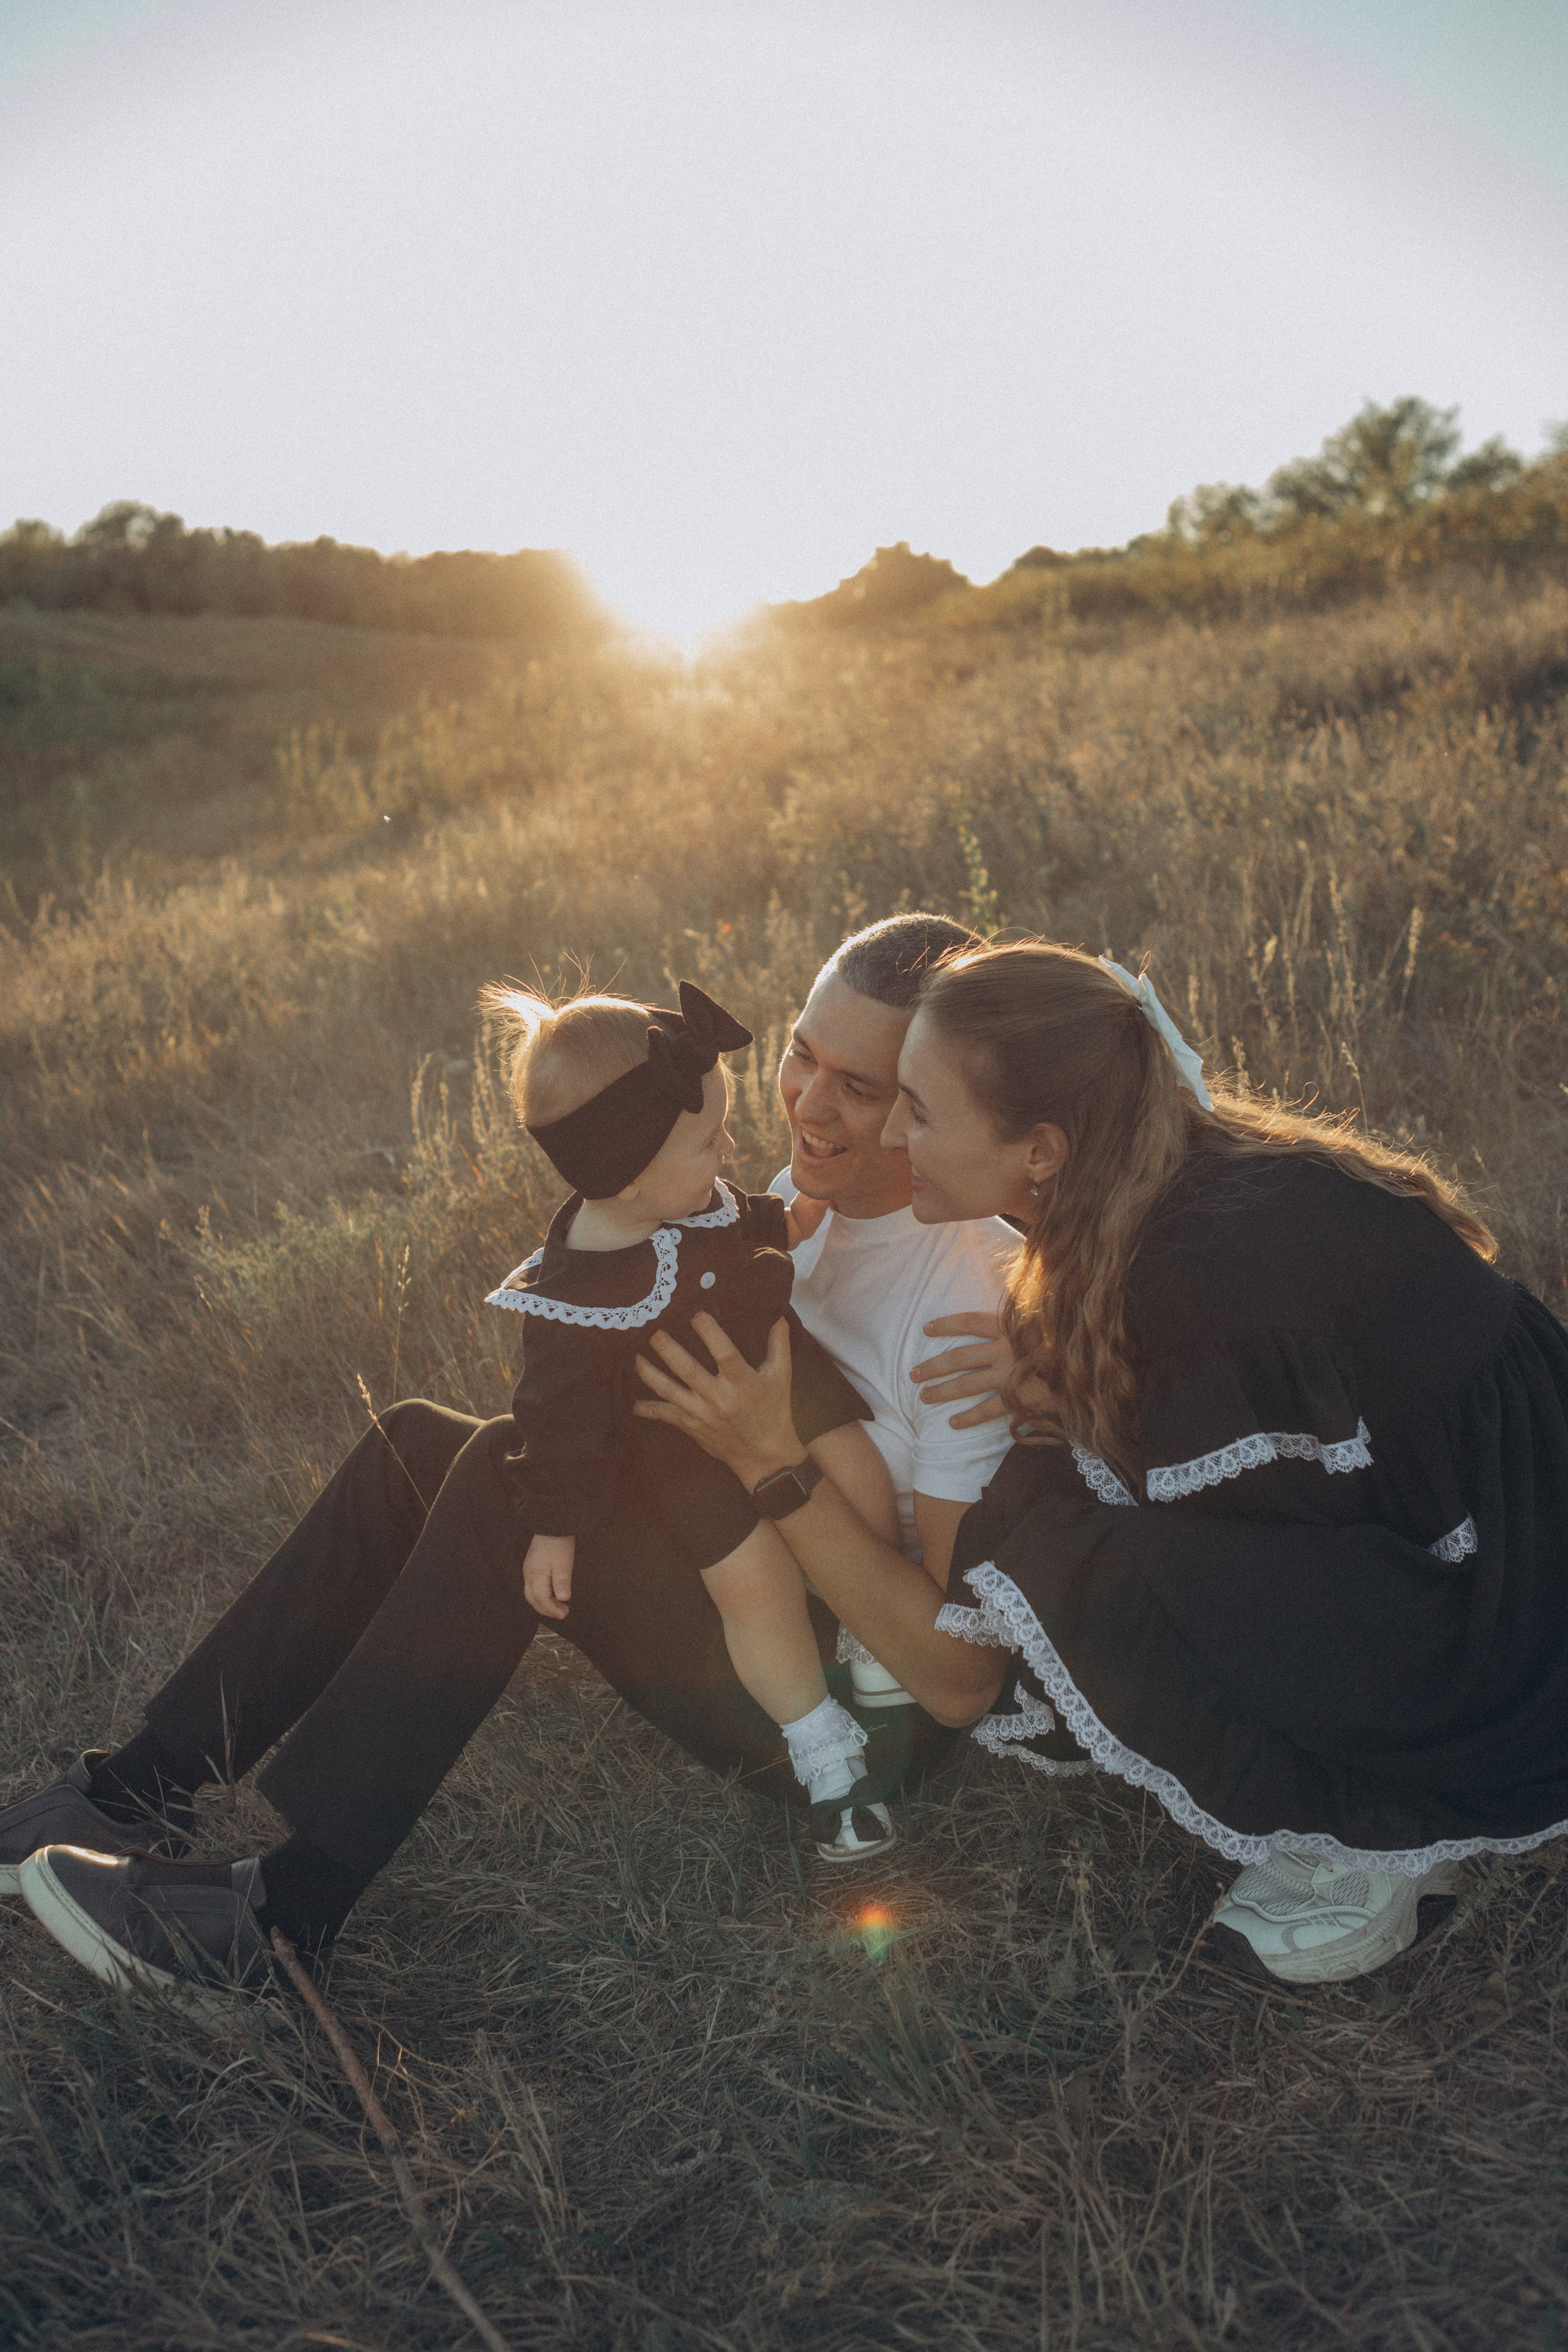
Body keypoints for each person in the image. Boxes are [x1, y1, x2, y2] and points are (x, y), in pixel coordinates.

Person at [3, 914, 1019, 2000]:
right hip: (728, 1562)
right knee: (417, 1446)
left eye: (860, 1088)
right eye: (802, 1056)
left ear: (930, 1098)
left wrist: (774, 1462)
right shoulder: (782, 1199)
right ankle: (132, 1790)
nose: (811, 1107)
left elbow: (960, 1682)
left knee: (498, 1478)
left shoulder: (969, 1301)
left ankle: (278, 1925)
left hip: (846, 1714)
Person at [631, 938, 1568, 1986]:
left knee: (1056, 1541)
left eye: (915, 1107)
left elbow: (1298, 1544)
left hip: (1488, 1575)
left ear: (1039, 1149)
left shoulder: (1188, 1275)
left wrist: (789, 1464)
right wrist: (1061, 1380)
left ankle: (1367, 1835)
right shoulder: (1127, 1186)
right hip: (1444, 1490)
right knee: (1063, 1502)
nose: (893, 1131)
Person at [479, 974, 899, 1825]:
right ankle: (816, 1734)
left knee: (861, 1474)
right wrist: (552, 1529)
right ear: (628, 1175)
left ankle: (872, 1622)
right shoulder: (572, 1297)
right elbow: (554, 1426)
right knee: (756, 1585)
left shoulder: (692, 1197)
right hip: (684, 1452)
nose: (729, 1148)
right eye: (708, 1141)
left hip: (788, 1378)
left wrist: (798, 1220)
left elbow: (748, 1222)